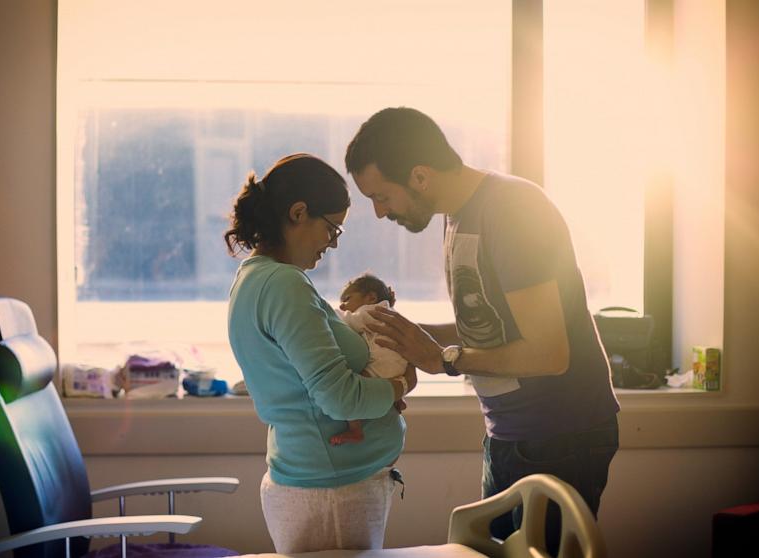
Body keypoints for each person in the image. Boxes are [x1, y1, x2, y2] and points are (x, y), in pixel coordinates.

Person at [344, 107, 620, 550]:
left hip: (560, 435)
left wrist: (442, 359)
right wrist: (407, 335)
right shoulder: (459, 216)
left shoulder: (512, 210)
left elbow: (549, 353)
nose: (379, 213)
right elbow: (493, 322)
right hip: (510, 434)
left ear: (419, 176)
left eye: (381, 196)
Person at [225, 153, 418, 553]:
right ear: (298, 212)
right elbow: (337, 397)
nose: (332, 244)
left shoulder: (256, 277)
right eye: (332, 229)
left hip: (326, 482)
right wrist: (399, 385)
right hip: (332, 490)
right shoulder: (283, 285)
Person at [330, 273, 409, 446]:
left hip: (382, 365)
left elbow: (346, 322)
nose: (342, 305)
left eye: (347, 299)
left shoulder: (370, 311)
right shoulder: (389, 312)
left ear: (371, 297)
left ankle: (355, 429)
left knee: (352, 391)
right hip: (398, 366)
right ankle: (396, 400)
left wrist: (328, 312)